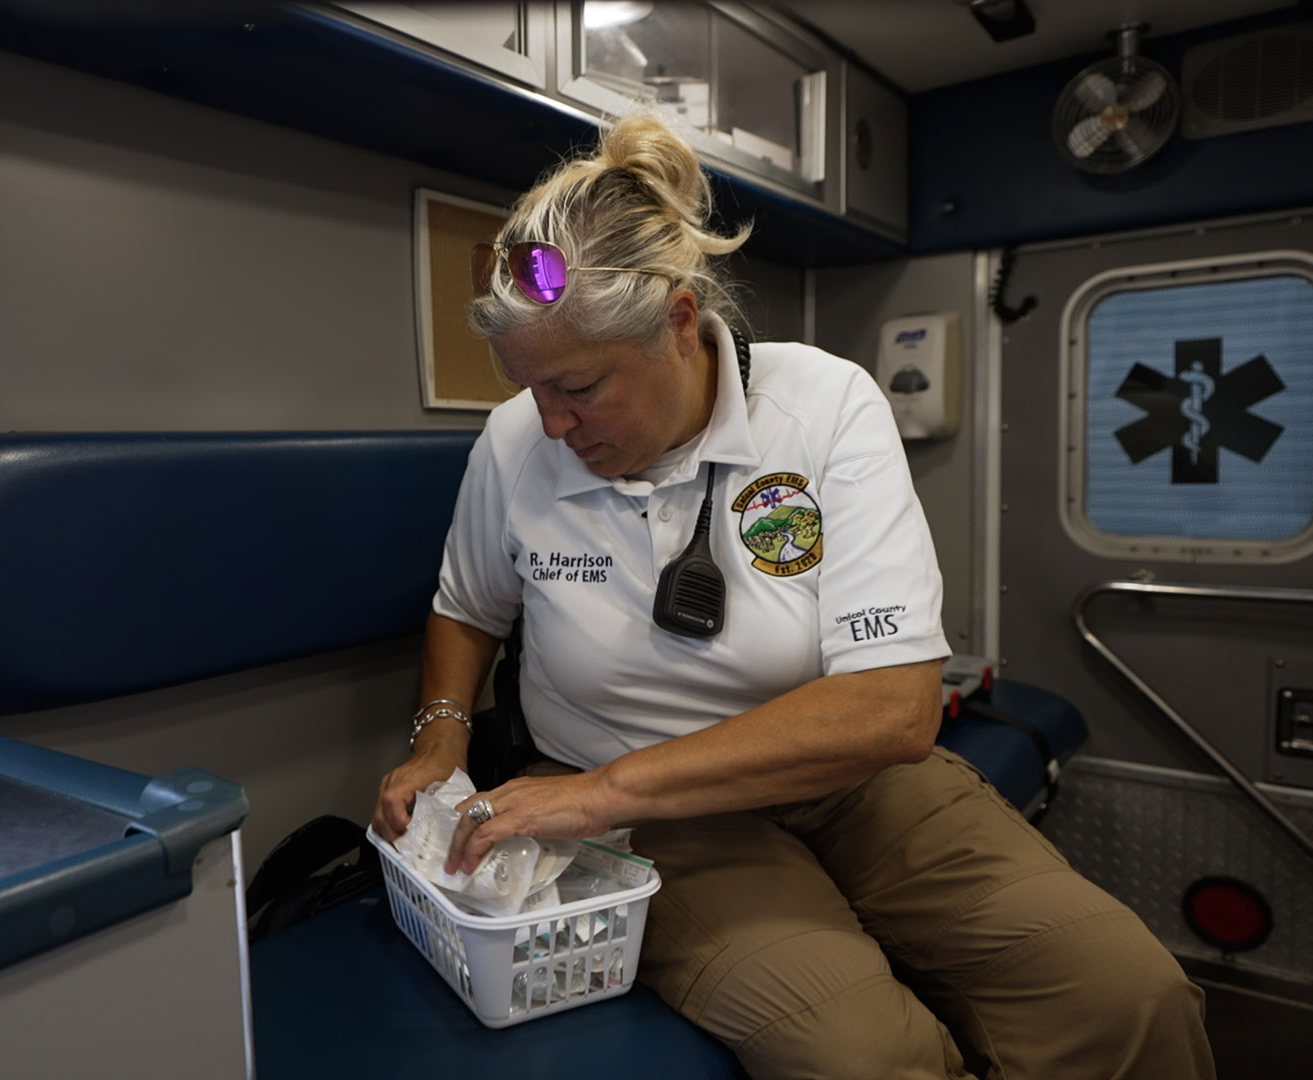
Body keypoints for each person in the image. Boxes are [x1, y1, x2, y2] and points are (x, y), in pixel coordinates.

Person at [371, 112, 1213, 1080]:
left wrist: (588, 795)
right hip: (663, 825)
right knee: (863, 1055)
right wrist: (440, 738)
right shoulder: (516, 441)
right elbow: (468, 605)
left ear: (681, 323)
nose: (550, 423)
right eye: (529, 388)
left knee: (1125, 995)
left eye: (580, 387)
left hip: (851, 786)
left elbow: (892, 711)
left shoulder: (825, 405)